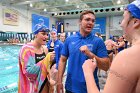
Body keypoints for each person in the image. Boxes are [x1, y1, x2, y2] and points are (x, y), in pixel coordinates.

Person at [82, 0, 140, 93]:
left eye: (123, 18)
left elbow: (106, 65)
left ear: (135, 22)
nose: (121, 24)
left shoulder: (127, 57)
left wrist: (88, 72)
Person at [57, 10, 110, 93]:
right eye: (87, 19)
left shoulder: (98, 41)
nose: (90, 23)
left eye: (93, 21)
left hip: (90, 88)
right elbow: (62, 60)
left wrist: (90, 54)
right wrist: (59, 81)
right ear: (80, 21)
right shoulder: (70, 40)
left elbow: (106, 66)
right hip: (70, 87)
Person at [18, 25, 55, 93]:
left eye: (47, 34)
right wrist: (46, 60)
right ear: (35, 34)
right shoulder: (26, 49)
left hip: (44, 85)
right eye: (43, 34)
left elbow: (46, 68)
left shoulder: (45, 49)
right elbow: (28, 72)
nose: (46, 37)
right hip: (31, 88)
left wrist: (51, 78)